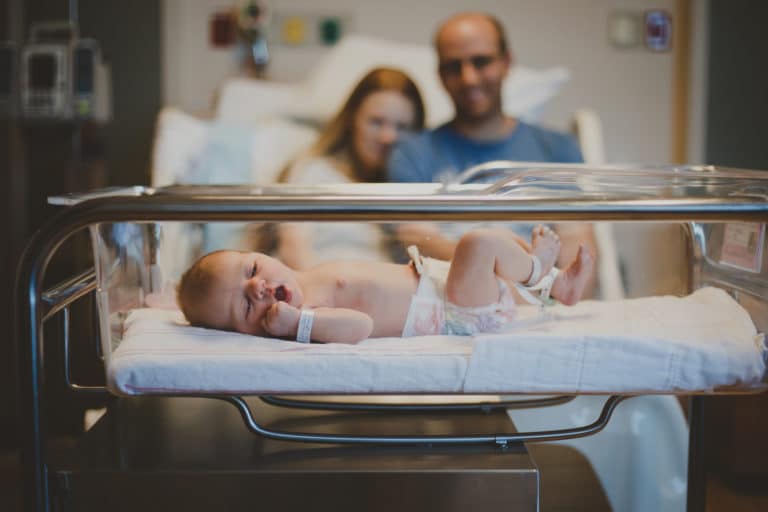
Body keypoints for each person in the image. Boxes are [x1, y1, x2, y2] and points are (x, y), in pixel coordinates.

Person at [387, 12, 597, 283]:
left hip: (541, 306)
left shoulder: (557, 151)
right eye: (454, 67)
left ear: (507, 63)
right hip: (450, 308)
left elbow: (578, 258)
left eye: (481, 62)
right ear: (440, 76)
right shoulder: (412, 155)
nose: (469, 78)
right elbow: (417, 246)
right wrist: (517, 268)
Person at [177, 226, 594, 344]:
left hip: (439, 284)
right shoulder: (304, 316)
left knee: (496, 242)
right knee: (478, 243)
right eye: (246, 307)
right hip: (453, 313)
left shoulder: (306, 272)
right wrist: (296, 325)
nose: (259, 287)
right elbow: (359, 326)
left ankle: (553, 281)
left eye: (252, 269)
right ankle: (545, 278)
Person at [271, 67, 426, 270]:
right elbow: (293, 250)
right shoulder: (316, 172)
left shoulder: (413, 191)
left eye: (402, 127)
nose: (388, 137)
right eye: (377, 122)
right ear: (352, 120)